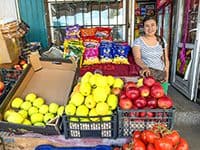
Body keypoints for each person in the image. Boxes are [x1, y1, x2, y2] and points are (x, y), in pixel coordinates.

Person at [132, 15, 169, 83]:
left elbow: (165, 58)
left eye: (152, 25)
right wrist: (144, 67)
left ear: (156, 27)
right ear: (143, 28)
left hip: (161, 75)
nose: (150, 28)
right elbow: (137, 58)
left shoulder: (162, 40)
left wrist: (167, 75)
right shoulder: (138, 41)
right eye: (147, 26)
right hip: (146, 76)